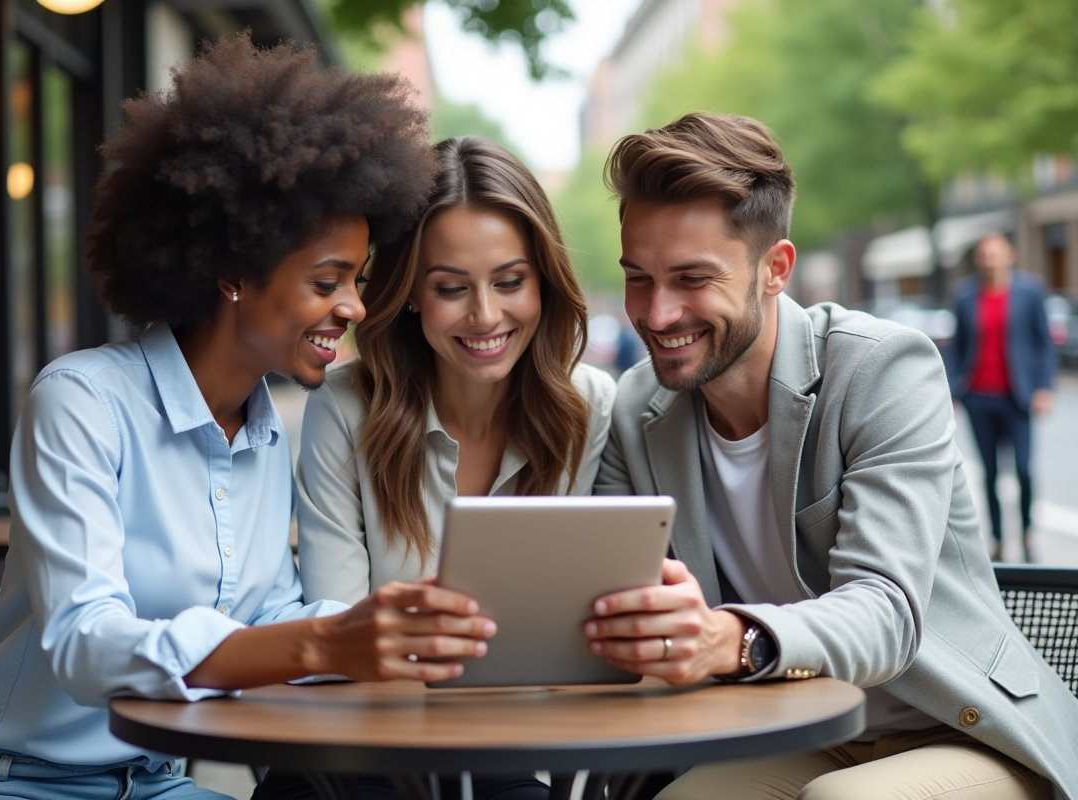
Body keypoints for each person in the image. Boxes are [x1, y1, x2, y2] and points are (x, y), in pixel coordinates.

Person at [0, 36, 496, 800]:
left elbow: (274, 614)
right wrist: (325, 640)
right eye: (327, 281)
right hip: (13, 781)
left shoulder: (264, 431)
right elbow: (86, 643)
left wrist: (403, 628)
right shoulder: (82, 403)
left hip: (157, 782)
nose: (354, 308)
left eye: (356, 281)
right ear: (233, 272)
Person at [586, 112, 1078, 799]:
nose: (658, 313)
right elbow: (615, 602)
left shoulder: (882, 370)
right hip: (799, 734)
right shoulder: (635, 408)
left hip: (961, 726)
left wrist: (730, 639)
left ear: (775, 270)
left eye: (692, 278)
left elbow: (885, 613)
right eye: (638, 278)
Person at [261, 136, 615, 800]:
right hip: (367, 748)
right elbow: (341, 628)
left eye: (510, 281)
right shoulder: (345, 407)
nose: (486, 316)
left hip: (515, 752)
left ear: (543, 281)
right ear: (411, 295)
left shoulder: (589, 407)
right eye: (451, 288)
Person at [949, 233, 1056, 562]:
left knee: (1023, 470)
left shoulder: (1031, 292)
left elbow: (1044, 342)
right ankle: (996, 540)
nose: (990, 261)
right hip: (979, 398)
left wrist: (1043, 387)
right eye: (984, 255)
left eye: (995, 254)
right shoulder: (965, 296)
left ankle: (1026, 533)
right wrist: (954, 389)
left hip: (1017, 397)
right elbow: (957, 346)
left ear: (1010, 255)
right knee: (991, 473)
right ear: (978, 259)